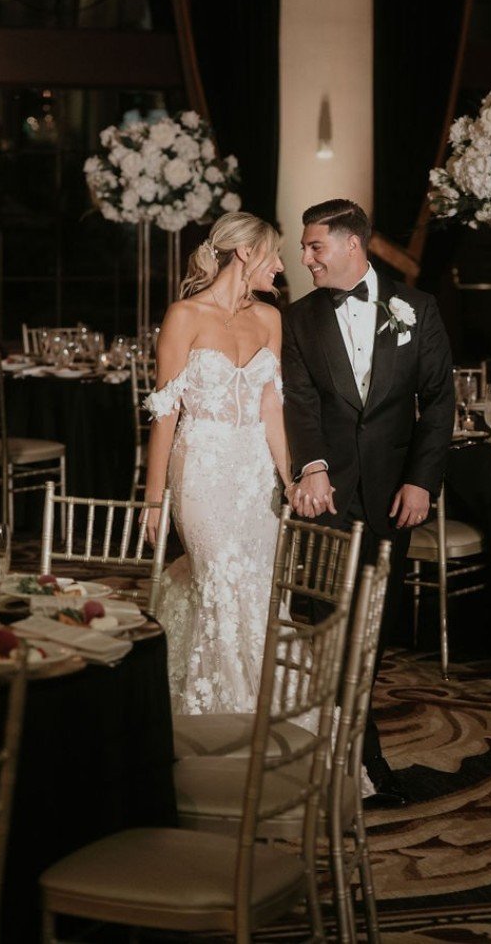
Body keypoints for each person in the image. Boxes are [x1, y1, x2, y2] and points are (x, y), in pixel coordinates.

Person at [281, 198, 454, 805]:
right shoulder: (299, 318)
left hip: (392, 495)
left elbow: (438, 405)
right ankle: (358, 759)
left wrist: (421, 482)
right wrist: (313, 466)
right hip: (327, 496)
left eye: (314, 247)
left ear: (352, 244)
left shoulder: (418, 308)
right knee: (328, 622)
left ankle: (353, 745)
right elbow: (298, 401)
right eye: (304, 248)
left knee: (371, 630)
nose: (303, 259)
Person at [144, 211, 289, 715]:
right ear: (245, 252)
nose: (281, 264)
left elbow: (273, 407)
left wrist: (292, 480)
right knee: (221, 579)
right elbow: (165, 413)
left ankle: (264, 703)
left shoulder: (270, 318)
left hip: (257, 476)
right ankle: (232, 716)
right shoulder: (184, 315)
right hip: (202, 469)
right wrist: (154, 499)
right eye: (273, 253)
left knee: (258, 584)